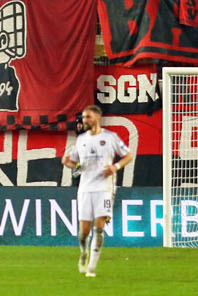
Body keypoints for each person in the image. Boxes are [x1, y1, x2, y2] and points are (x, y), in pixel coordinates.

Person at [63, 104, 132, 279]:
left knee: (99, 227)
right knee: (84, 231)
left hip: (104, 188)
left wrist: (115, 167)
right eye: (84, 117)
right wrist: (67, 162)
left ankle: (92, 267)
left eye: (88, 117)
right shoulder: (81, 140)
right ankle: (84, 253)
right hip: (85, 188)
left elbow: (128, 155)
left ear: (97, 118)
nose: (84, 120)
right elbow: (75, 164)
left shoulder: (110, 137)